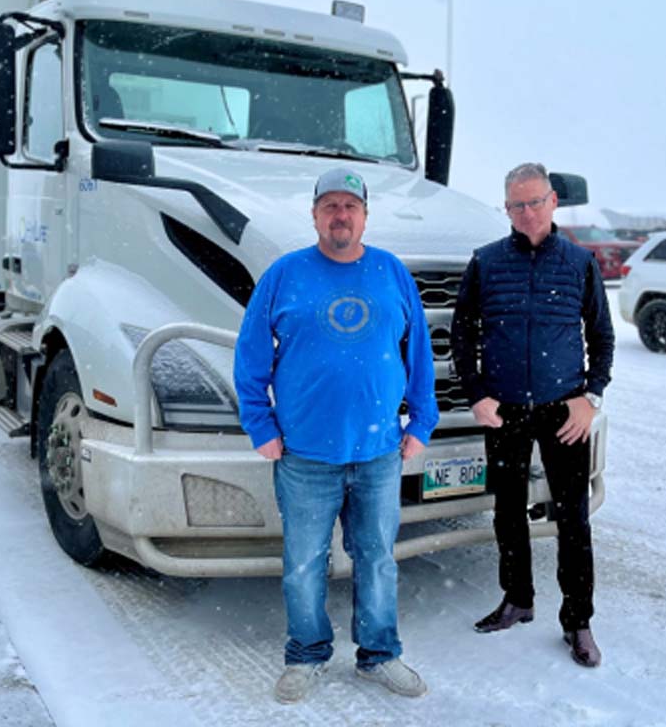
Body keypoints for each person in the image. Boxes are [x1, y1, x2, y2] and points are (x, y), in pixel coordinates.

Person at [234, 166, 438, 704]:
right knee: (303, 563)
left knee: (377, 560)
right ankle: (306, 654)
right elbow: (250, 355)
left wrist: (422, 421)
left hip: (378, 453)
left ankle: (379, 655)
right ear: (316, 215)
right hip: (303, 454)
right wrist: (260, 423)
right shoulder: (285, 274)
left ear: (365, 216)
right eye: (331, 206)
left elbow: (418, 354)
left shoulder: (391, 272)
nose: (340, 215)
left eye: (350, 206)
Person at [450, 161, 615, 667]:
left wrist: (591, 398)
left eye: (535, 202)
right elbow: (463, 334)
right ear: (506, 209)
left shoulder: (578, 263)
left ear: (553, 202)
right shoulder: (486, 262)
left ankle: (578, 621)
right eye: (517, 205)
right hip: (504, 411)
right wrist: (477, 394)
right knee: (507, 510)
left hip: (563, 412)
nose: (527, 213)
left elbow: (602, 338)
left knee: (572, 518)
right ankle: (518, 599)